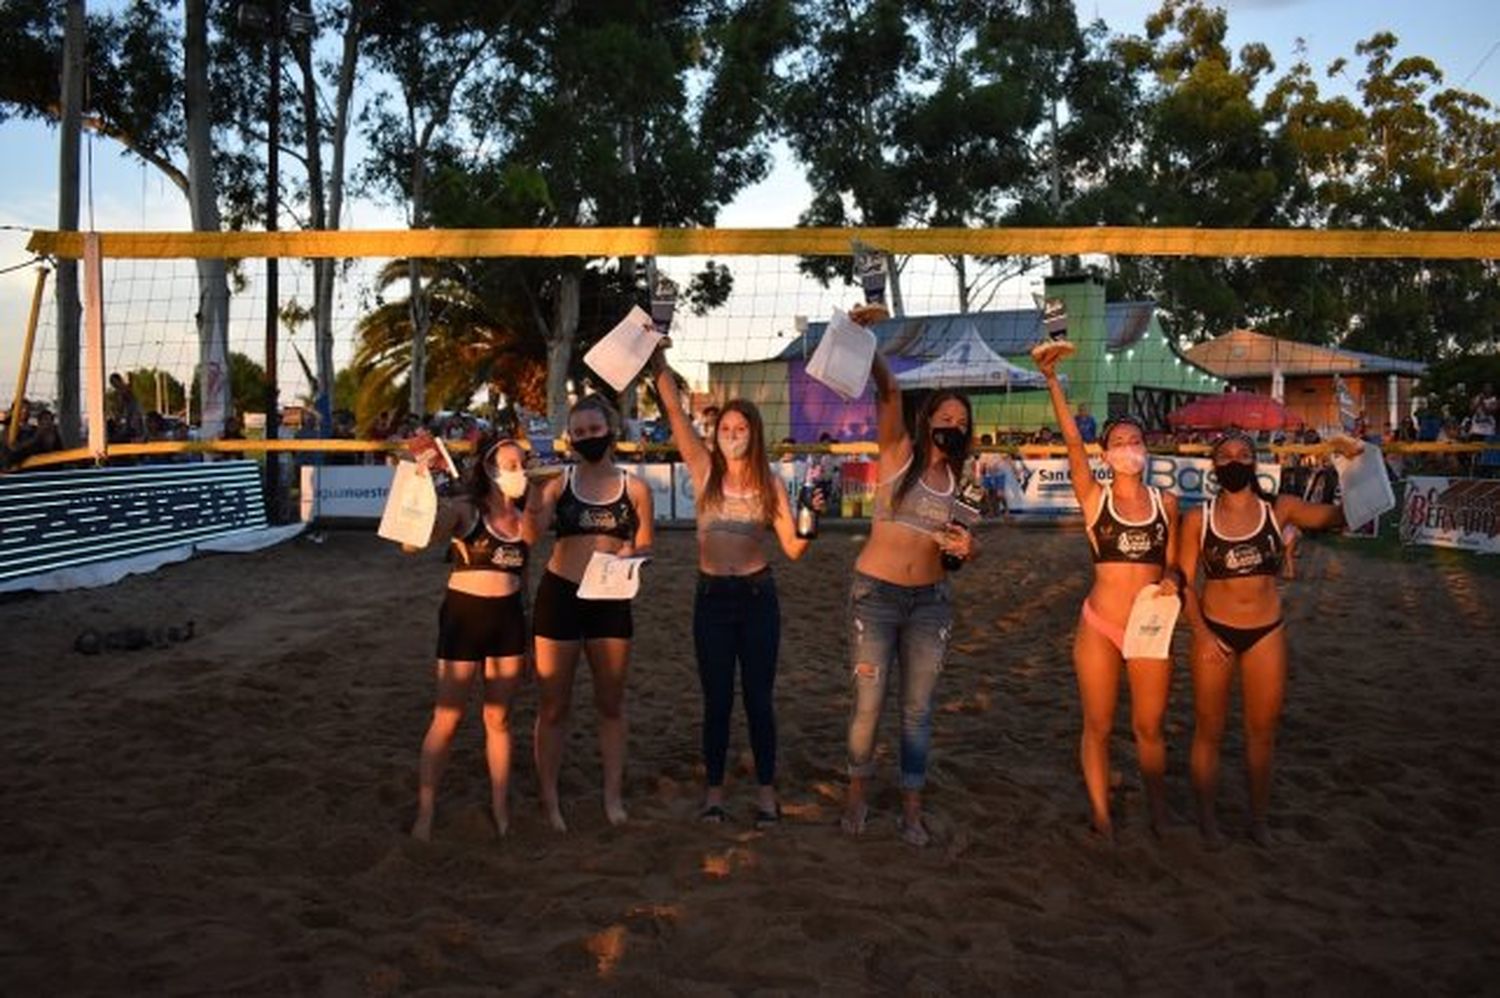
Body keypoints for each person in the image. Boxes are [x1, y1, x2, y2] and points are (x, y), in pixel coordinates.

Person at [650, 345, 822, 827]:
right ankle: (715, 795)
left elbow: (792, 548)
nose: (732, 436)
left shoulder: (771, 485)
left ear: (754, 434)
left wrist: (812, 520)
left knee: (759, 700)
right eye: (725, 429)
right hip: (711, 600)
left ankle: (767, 794)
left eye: (740, 429)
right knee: (718, 700)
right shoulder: (704, 472)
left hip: (756, 598)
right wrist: (656, 355)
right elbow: (672, 410)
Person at [1177, 430, 1363, 848]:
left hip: (1266, 634)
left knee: (1261, 734)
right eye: (1224, 455)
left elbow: (1343, 517)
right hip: (1214, 631)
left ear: (1255, 462)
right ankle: (1207, 821)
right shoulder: (1198, 519)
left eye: (1243, 454)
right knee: (1209, 730)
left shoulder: (1281, 509)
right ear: (1214, 465)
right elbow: (1185, 583)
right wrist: (1202, 634)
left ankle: (1257, 822)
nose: (1234, 460)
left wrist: (1350, 463)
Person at [841, 305, 978, 847]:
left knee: (917, 713)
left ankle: (911, 809)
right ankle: (856, 798)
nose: (952, 427)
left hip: (931, 603)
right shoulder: (898, 451)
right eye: (944, 419)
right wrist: (865, 339)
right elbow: (890, 390)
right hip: (874, 596)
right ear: (928, 421)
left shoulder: (965, 480)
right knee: (868, 706)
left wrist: (971, 547)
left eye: (961, 424)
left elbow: (962, 548)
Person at [1036, 350, 1181, 841]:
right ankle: (1101, 815)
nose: (1128, 447)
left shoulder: (1168, 503)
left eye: (1135, 440)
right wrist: (1052, 380)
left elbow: (1177, 563)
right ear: (1106, 455)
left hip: (1149, 628)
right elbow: (1072, 440)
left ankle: (1159, 813)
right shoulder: (1095, 497)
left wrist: (1177, 582)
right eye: (1118, 442)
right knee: (1097, 726)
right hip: (1099, 623)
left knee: (1149, 729)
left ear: (1147, 448)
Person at [525, 395, 654, 830]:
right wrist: (529, 492)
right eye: (578, 433)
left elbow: (647, 542)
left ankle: (612, 797)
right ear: (570, 439)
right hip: (560, 595)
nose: (587, 438)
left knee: (611, 703)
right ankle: (549, 799)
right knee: (553, 706)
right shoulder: (558, 482)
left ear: (610, 430)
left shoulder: (634, 488)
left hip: (611, 598)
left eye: (593, 430)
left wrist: (631, 553)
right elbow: (529, 536)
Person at [408, 436, 536, 841]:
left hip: (509, 621)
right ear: (489, 469)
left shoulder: (523, 519)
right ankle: (425, 811)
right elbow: (421, 537)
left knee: (499, 719)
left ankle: (500, 808)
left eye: (522, 464)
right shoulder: (467, 510)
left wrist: (528, 635)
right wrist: (419, 494)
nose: (518, 471)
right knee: (448, 717)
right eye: (510, 464)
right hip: (464, 617)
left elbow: (525, 580)